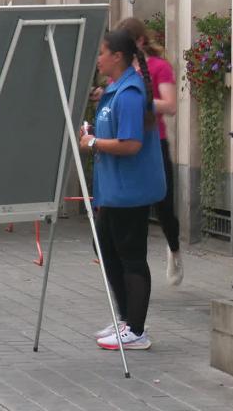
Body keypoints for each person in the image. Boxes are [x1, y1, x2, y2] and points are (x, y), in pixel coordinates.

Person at [82, 29, 165, 351]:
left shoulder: (129, 94)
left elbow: (131, 144)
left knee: (131, 257)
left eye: (102, 52)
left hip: (130, 192)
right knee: (103, 246)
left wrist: (91, 142)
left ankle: (137, 330)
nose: (98, 58)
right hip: (114, 190)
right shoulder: (115, 89)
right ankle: (127, 319)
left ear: (117, 56)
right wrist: (92, 131)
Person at [117, 17, 182, 285]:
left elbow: (170, 105)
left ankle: (174, 248)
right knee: (135, 212)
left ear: (140, 41)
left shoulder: (159, 67)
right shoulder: (122, 70)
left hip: (155, 143)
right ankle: (135, 271)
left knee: (164, 206)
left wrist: (139, 100)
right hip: (128, 142)